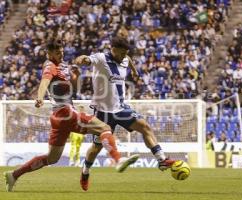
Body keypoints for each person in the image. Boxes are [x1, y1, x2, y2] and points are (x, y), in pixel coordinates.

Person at [3, 41, 138, 192]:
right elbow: (44, 82)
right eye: (58, 53)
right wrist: (40, 97)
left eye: (62, 51)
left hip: (58, 117)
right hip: (65, 113)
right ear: (49, 54)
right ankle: (118, 160)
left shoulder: (61, 66)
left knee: (52, 158)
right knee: (104, 128)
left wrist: (75, 77)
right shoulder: (50, 66)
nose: (61, 55)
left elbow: (68, 85)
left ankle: (14, 174)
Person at [75, 36, 176, 191]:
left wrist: (134, 71)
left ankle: (162, 159)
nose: (123, 56)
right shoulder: (101, 58)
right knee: (96, 148)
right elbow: (88, 60)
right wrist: (82, 59)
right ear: (113, 50)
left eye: (125, 53)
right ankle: (85, 172)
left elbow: (128, 59)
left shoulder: (124, 58)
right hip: (103, 112)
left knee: (145, 127)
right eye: (121, 53)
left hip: (121, 108)